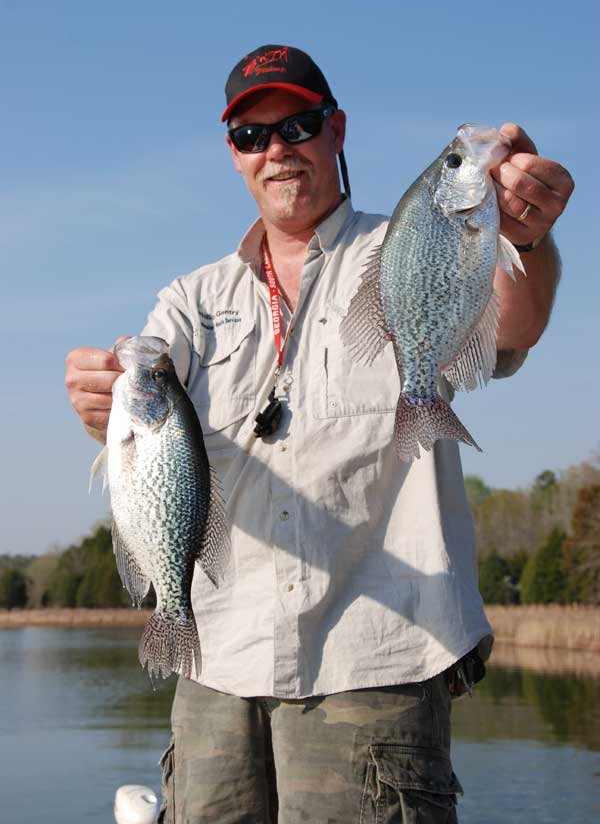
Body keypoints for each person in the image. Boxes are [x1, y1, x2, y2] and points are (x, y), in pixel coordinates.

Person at [65, 44, 573, 823]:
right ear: (233, 155)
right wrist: (103, 401)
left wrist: (528, 240)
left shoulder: (410, 241)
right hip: (219, 661)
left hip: (378, 655)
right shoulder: (190, 300)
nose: (277, 150)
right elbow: (142, 427)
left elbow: (517, 321)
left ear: (336, 131)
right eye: (251, 135)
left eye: (297, 124)